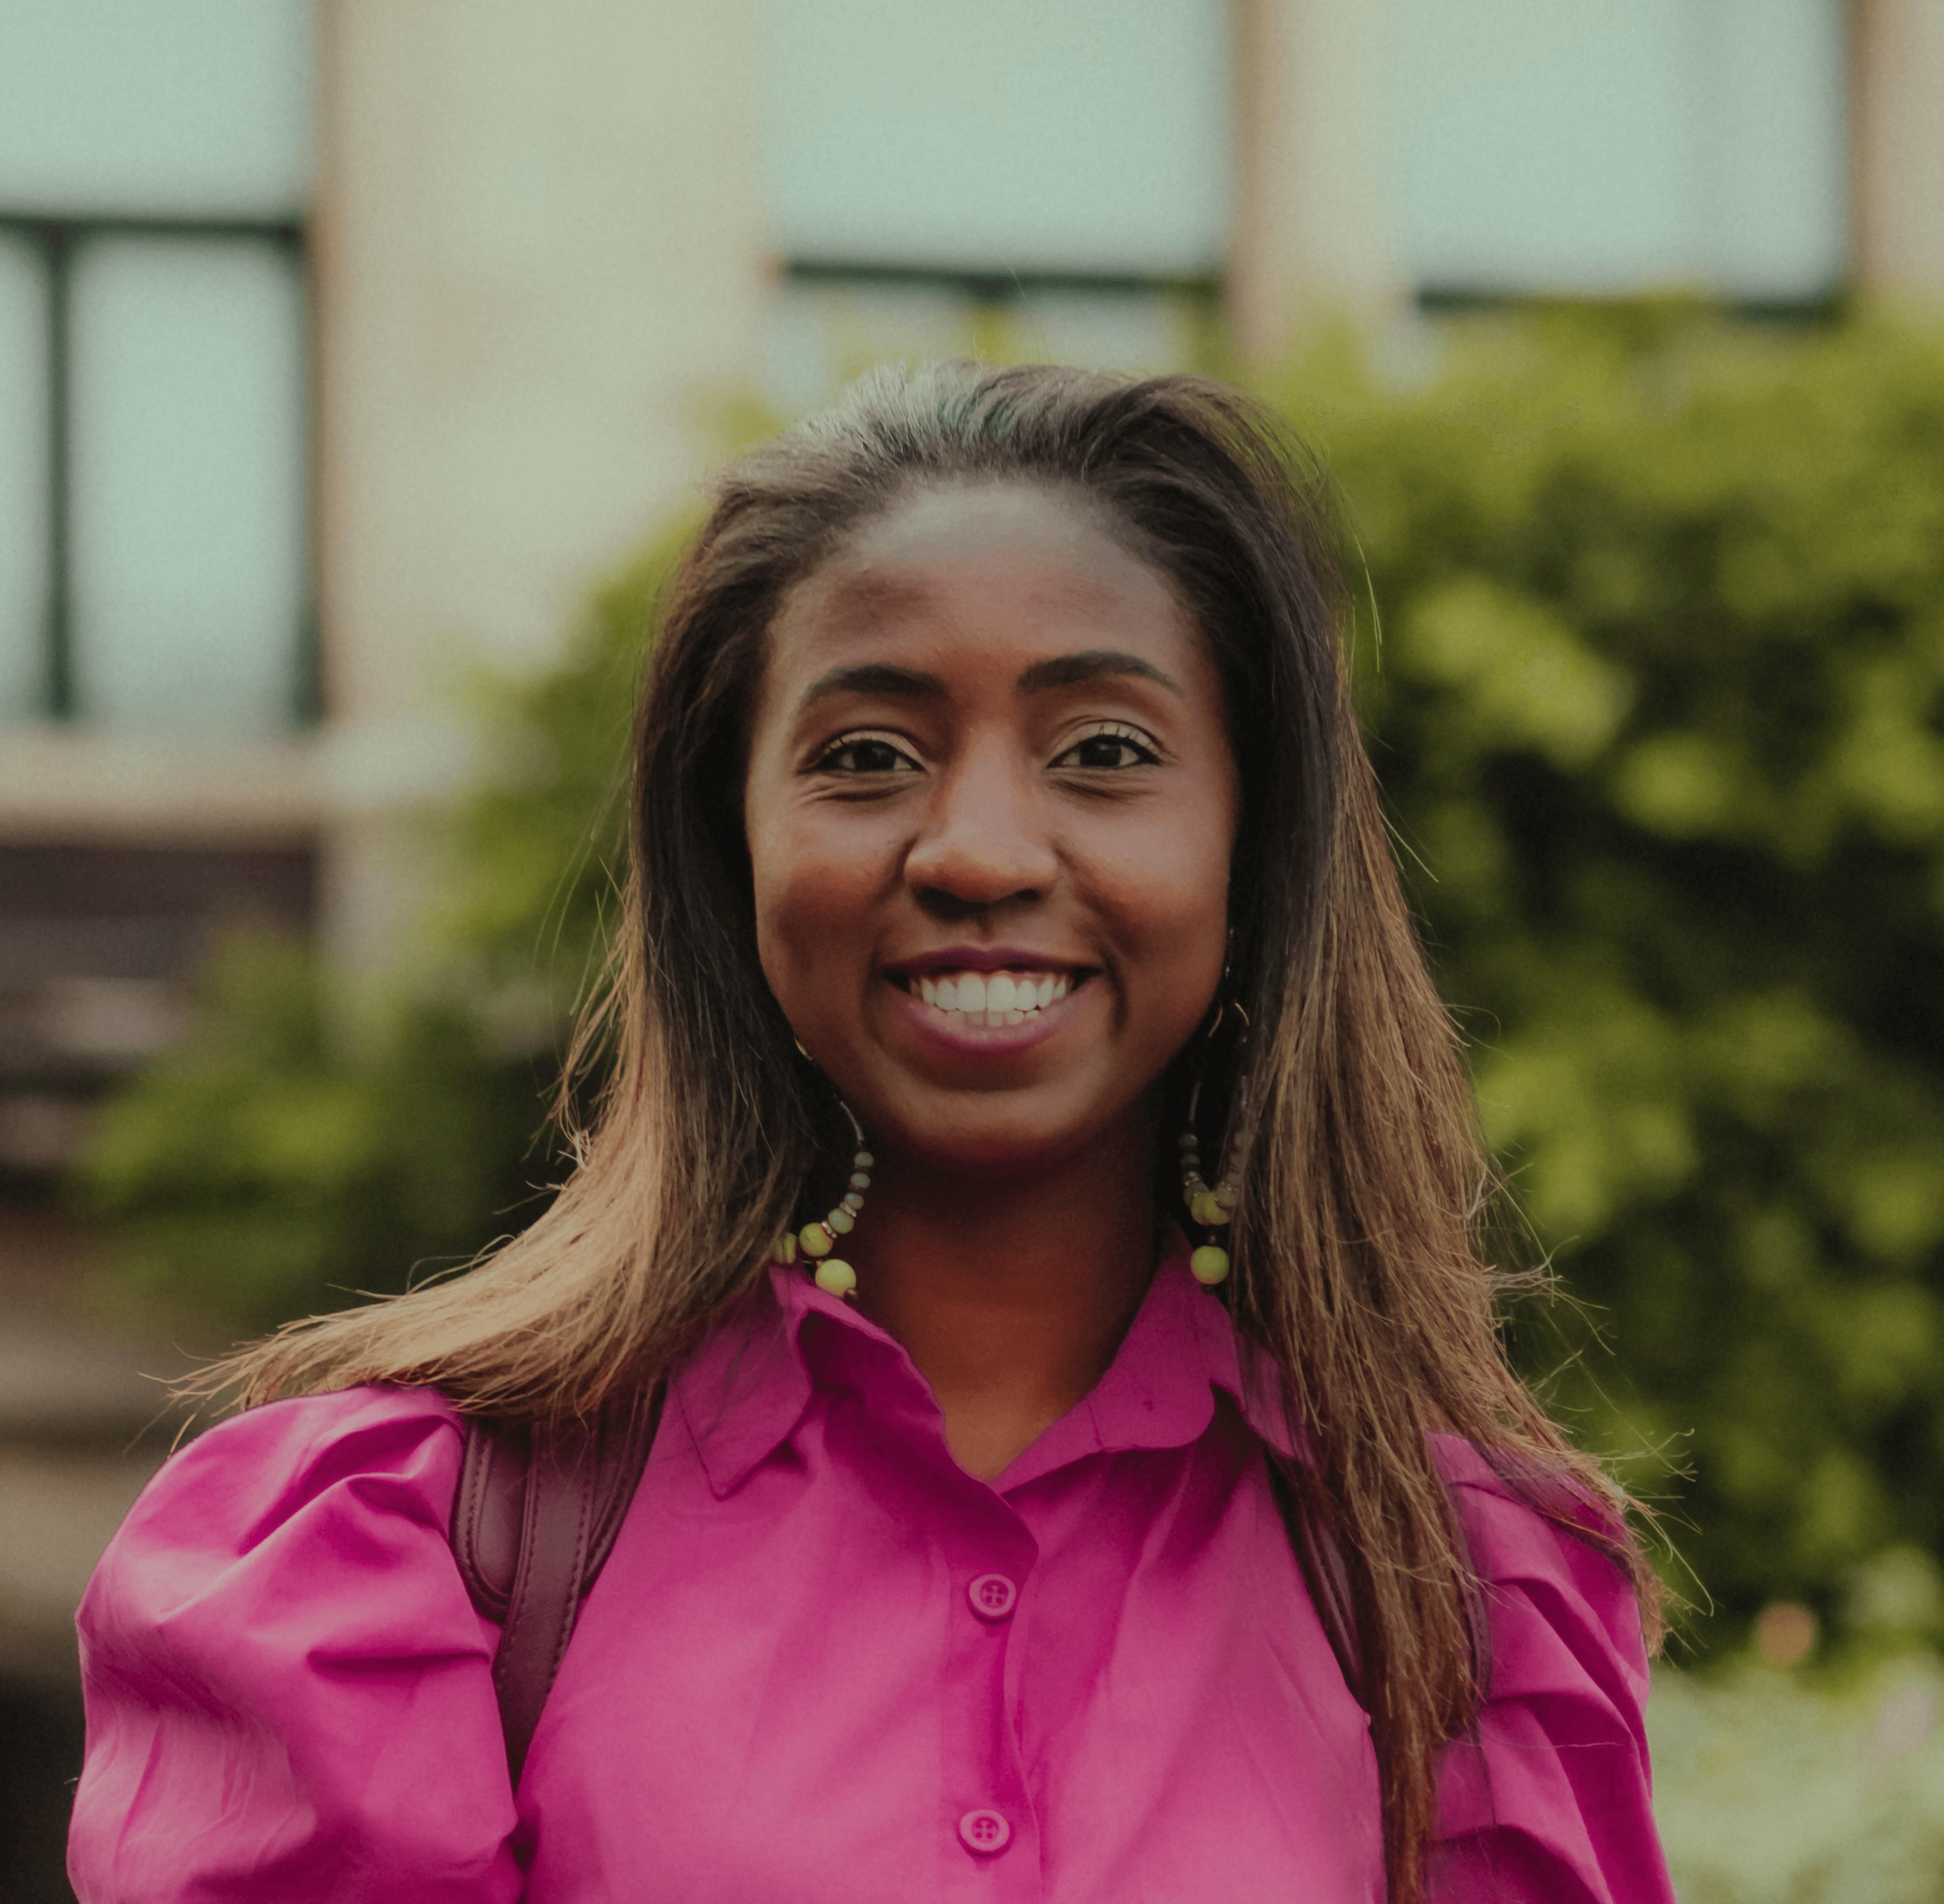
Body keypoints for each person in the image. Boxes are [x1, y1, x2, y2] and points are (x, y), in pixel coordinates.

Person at [68, 362, 1675, 1904]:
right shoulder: (405, 1543)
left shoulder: (1457, 1593)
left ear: (1254, 847)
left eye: (1105, 752)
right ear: (734, 848)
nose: (978, 851)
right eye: (865, 756)